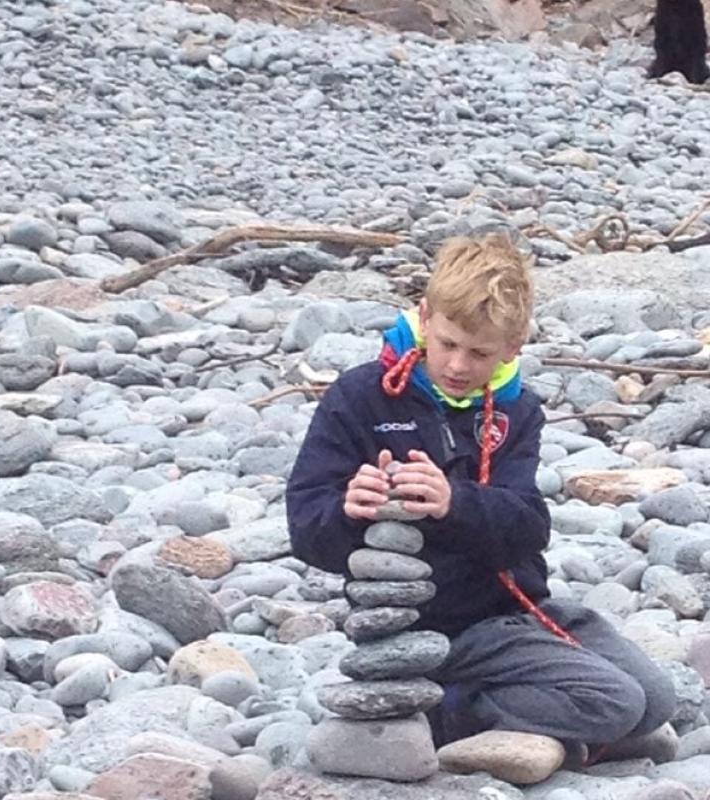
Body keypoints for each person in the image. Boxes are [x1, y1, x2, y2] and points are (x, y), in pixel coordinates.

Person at [286, 233, 675, 762]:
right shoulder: (361, 397)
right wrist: (349, 512)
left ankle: (518, 714)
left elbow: (527, 528)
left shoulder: (518, 411)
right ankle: (446, 710)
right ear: (424, 318)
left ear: (514, 348)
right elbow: (307, 528)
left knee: (657, 700)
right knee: (617, 703)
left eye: (480, 353)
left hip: (518, 606)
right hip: (432, 627)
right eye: (446, 343)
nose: (458, 365)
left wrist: (454, 504)